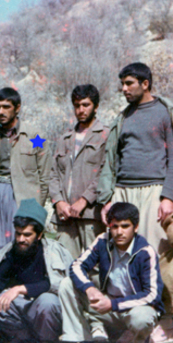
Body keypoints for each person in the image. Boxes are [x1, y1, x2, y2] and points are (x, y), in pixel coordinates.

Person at [96, 63, 173, 343]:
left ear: (145, 84)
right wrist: (108, 198)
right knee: (123, 259)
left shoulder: (164, 112)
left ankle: (167, 323)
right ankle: (136, 322)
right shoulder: (123, 117)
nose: (124, 89)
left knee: (156, 258)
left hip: (153, 192)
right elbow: (111, 160)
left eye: (129, 83)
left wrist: (168, 196)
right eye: (122, 84)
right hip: (123, 192)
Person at [59, 202, 163, 343]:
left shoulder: (145, 252)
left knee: (141, 318)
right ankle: (85, 342)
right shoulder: (103, 241)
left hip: (134, 308)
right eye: (114, 226)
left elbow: (152, 295)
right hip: (109, 305)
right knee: (67, 284)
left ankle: (141, 339)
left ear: (135, 227)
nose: (119, 232)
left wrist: (112, 304)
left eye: (125, 226)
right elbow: (77, 266)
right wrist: (89, 288)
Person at [0, 198, 73, 343]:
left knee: (47, 301)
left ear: (39, 235)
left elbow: (53, 284)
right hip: (22, 308)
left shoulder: (53, 251)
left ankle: (48, 342)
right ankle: (24, 340)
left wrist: (19, 289)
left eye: (27, 235)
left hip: (44, 307)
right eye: (18, 234)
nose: (21, 239)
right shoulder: (12, 250)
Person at [0, 88, 52, 264]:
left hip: (23, 199)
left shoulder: (35, 136)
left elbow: (45, 177)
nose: (1, 112)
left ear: (17, 108)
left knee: (21, 243)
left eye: (6, 107)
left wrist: (36, 206)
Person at [50, 84, 108, 258]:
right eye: (77, 105)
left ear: (96, 106)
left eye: (85, 105)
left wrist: (84, 200)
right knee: (63, 263)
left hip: (90, 214)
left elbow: (106, 173)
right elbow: (53, 174)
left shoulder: (105, 135)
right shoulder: (65, 138)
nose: (81, 110)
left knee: (94, 264)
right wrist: (59, 202)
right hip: (65, 216)